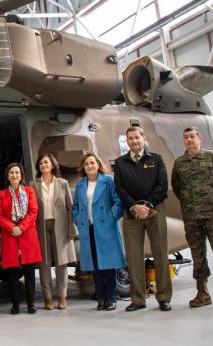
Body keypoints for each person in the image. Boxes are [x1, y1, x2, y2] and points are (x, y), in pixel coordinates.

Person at [171, 127, 213, 309]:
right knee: (198, 256)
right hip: (191, 217)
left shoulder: (212, 157)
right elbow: (177, 188)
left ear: (200, 138)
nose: (189, 140)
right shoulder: (179, 163)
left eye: (192, 136)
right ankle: (203, 293)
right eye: (186, 137)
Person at [114, 126, 172, 312]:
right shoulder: (120, 163)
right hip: (132, 213)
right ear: (127, 141)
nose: (134, 141)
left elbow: (162, 185)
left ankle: (164, 297)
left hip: (154, 211)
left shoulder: (156, 159)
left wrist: (147, 205)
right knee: (133, 257)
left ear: (143, 139)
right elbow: (120, 188)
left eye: (136, 137)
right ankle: (138, 299)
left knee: (160, 254)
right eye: (130, 138)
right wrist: (134, 206)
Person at [72, 152, 125, 311]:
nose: (89, 166)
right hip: (88, 228)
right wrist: (78, 219)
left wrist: (111, 217)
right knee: (95, 265)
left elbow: (118, 202)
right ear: (83, 167)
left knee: (108, 265)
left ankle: (111, 298)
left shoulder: (108, 180)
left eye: (92, 163)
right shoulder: (81, 184)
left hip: (105, 227)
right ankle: (100, 298)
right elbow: (75, 206)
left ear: (98, 164)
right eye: (86, 164)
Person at [32, 153, 77, 310]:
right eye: (41, 163)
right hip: (41, 226)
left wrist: (72, 228)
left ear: (52, 165)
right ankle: (48, 298)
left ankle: (62, 297)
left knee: (61, 263)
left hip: (61, 226)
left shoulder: (62, 183)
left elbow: (70, 207)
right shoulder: (33, 184)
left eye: (46, 162)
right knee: (44, 264)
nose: (43, 165)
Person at [0, 163, 42, 314]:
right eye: (11, 173)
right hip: (10, 236)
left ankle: (31, 304)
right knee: (13, 274)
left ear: (21, 175)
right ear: (7, 176)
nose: (14, 175)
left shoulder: (29, 191)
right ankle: (15, 304)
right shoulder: (1, 194)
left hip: (27, 235)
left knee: (30, 273)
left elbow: (33, 211)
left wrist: (21, 227)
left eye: (17, 172)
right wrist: (11, 227)